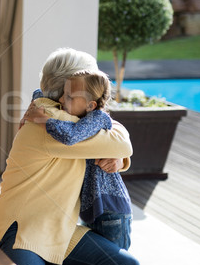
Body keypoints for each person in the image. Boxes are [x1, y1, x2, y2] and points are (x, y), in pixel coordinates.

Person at [0, 48, 140, 265]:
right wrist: (119, 152)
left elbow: (111, 138)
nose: (97, 103)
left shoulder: (56, 115)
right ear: (65, 92)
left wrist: (119, 159)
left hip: (59, 230)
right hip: (22, 229)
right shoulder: (51, 125)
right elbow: (121, 141)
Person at [25, 69, 133, 250]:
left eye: (68, 96)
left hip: (110, 211)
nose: (60, 100)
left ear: (90, 105)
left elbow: (70, 136)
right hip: (95, 210)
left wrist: (41, 119)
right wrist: (35, 101)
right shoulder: (82, 115)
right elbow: (41, 92)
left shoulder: (97, 118)